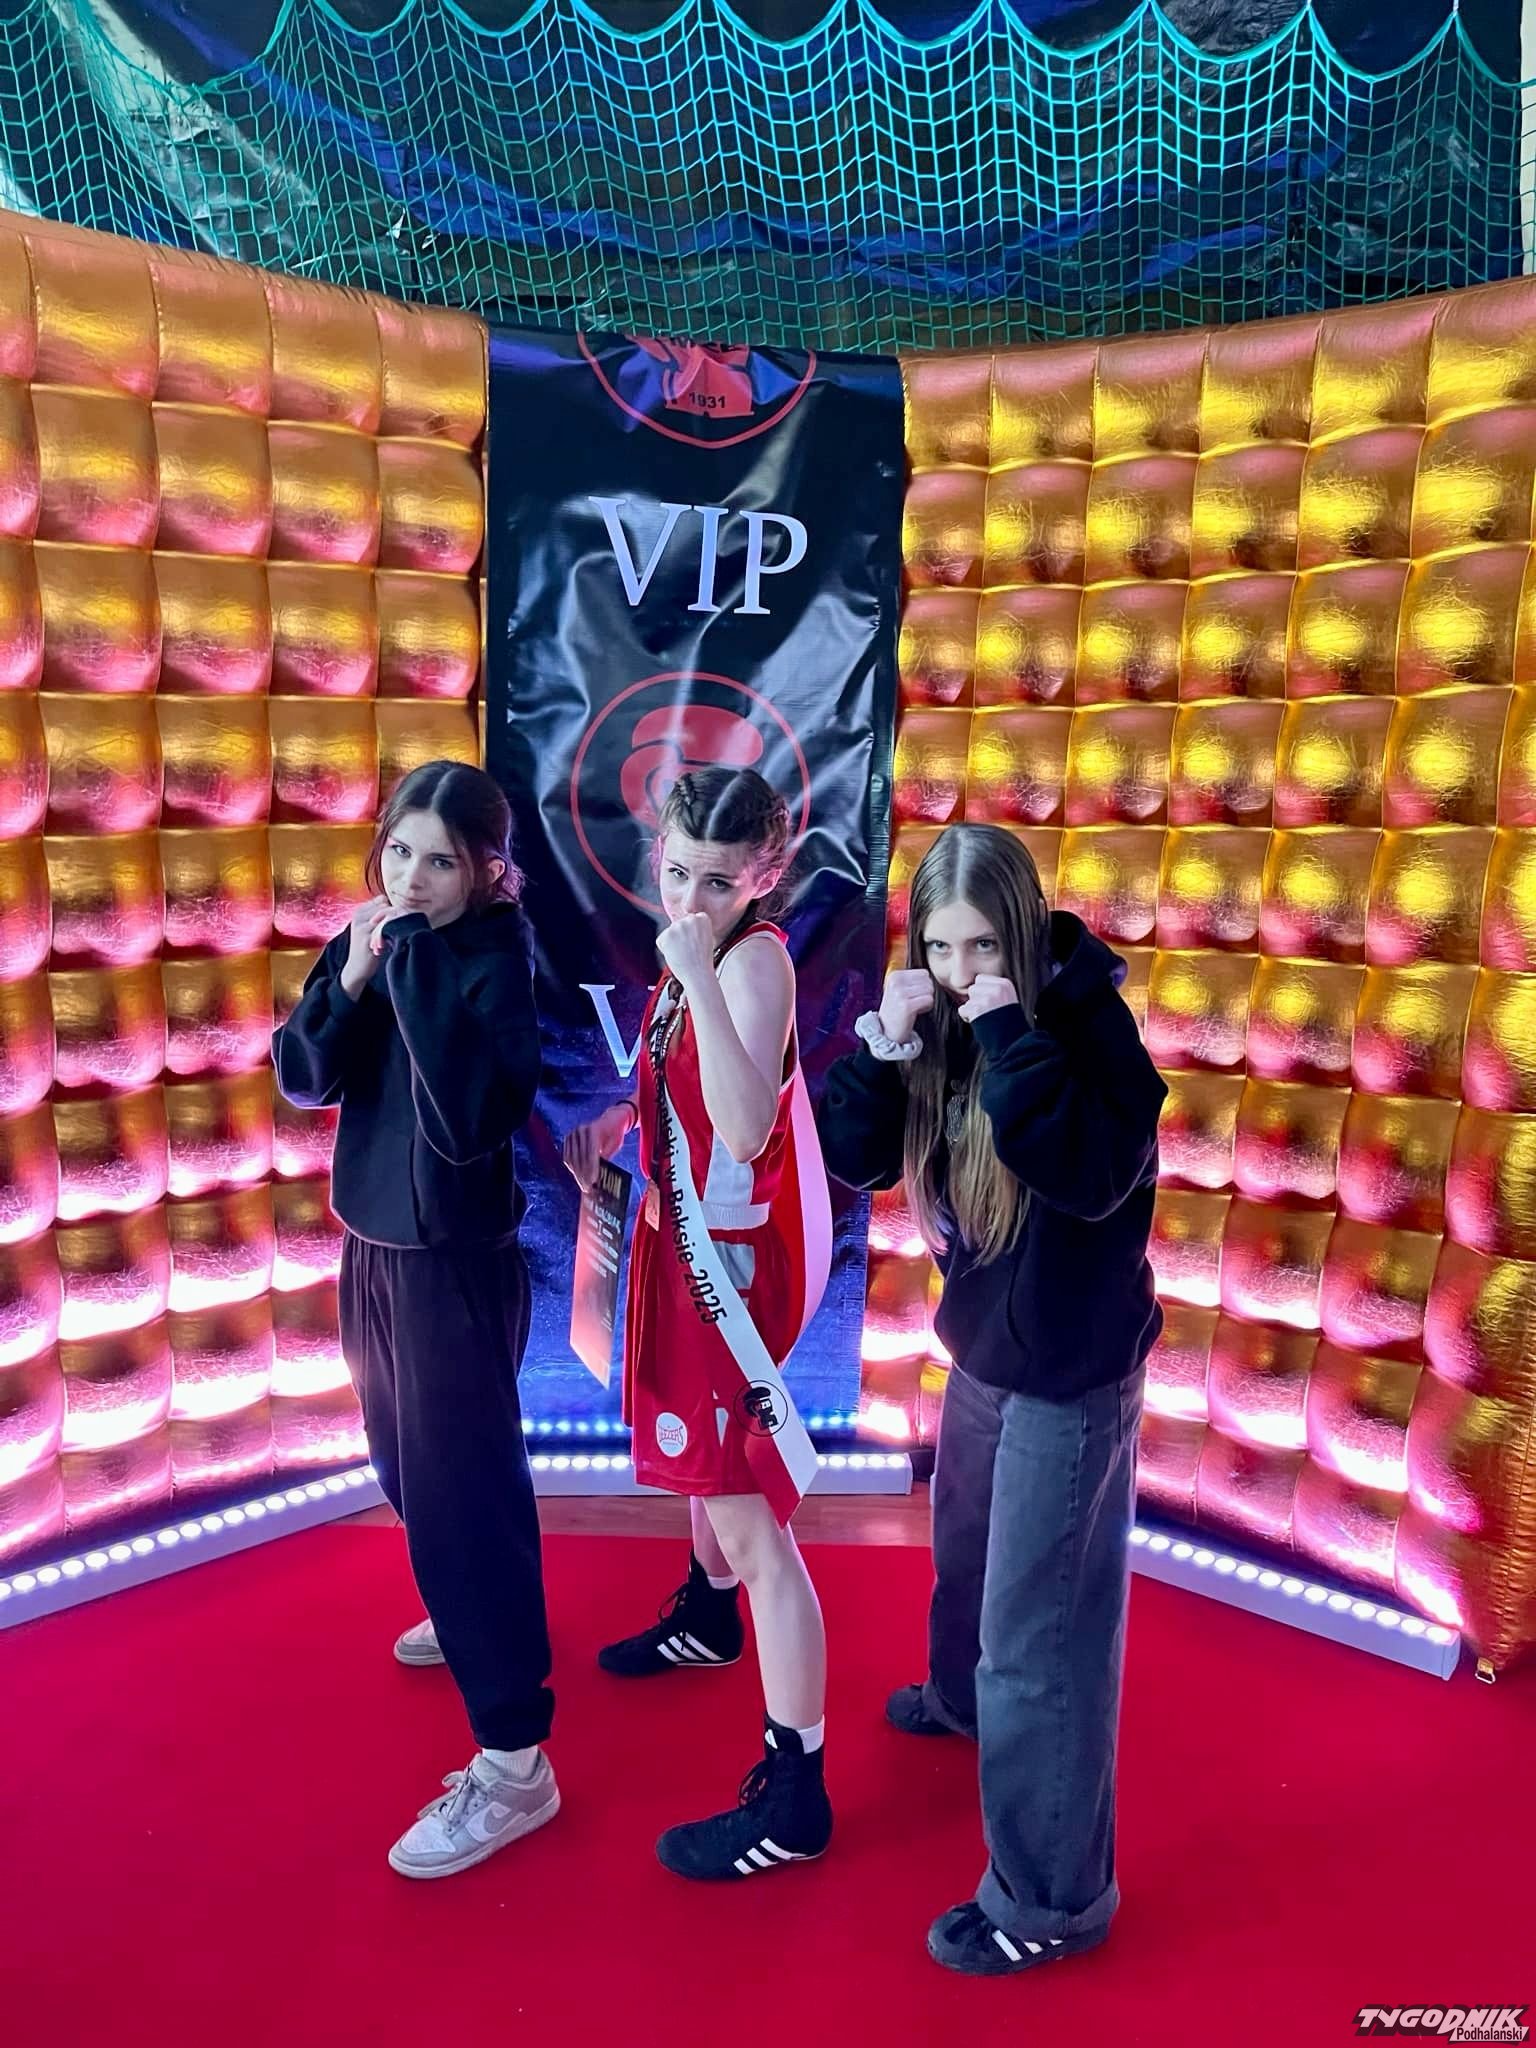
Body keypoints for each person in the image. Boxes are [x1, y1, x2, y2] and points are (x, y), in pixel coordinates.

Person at [817, 822, 1165, 1976]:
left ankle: (1052, 1899)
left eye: (982, 945)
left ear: (1019, 932)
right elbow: (856, 1156)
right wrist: (882, 1049)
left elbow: (1090, 1174)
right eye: (940, 945)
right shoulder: (941, 1020)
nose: (961, 968)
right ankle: (959, 1701)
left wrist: (1010, 1030)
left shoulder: (1086, 1026)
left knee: (1040, 1635)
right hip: (982, 1348)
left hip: (1071, 1366)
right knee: (964, 1563)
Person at [272, 759, 556, 1880]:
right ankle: (461, 1598)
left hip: (454, 1265)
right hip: (372, 1246)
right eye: (399, 850)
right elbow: (304, 1077)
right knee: (403, 1467)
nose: (412, 877)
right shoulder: (372, 938)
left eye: (441, 860)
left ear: (487, 869)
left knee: (465, 1492)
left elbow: (471, 1120)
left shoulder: (493, 957)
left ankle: (516, 1760)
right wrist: (349, 979)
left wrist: (415, 966)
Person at [564, 766, 833, 1880]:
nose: (690, 899)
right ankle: (708, 1613)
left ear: (765, 876)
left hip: (727, 1270)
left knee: (753, 1517)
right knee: (699, 1470)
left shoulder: (750, 961)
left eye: (718, 881)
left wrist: (697, 978)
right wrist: (621, 1122)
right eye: (677, 872)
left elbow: (743, 1120)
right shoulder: (699, 954)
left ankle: (798, 1787)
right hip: (678, 1243)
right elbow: (686, 1100)